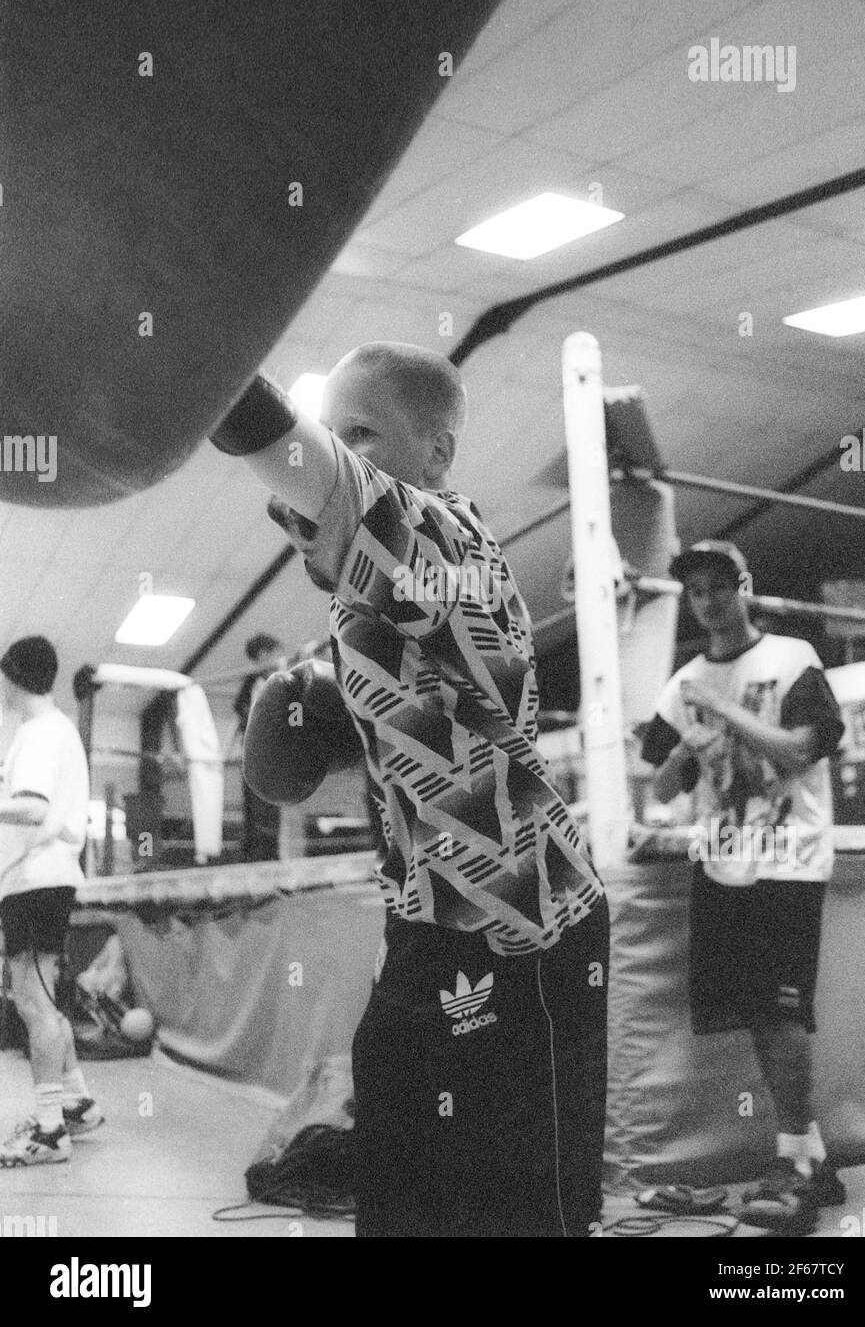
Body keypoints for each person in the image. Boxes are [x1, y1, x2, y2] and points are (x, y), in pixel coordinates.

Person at [210, 342, 609, 1237]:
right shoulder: (371, 604)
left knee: (520, 1204)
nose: (344, 454)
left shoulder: (443, 541)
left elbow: (295, 454)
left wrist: (199, 367)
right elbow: (393, 746)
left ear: (436, 455)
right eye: (339, 430)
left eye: (364, 434)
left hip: (524, 920)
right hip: (428, 920)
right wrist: (310, 714)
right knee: (397, 1174)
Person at [639, 541, 846, 1231]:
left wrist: (720, 713)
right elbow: (661, 789)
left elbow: (799, 750)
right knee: (758, 1012)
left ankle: (796, 1159)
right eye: (695, 591)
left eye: (718, 587)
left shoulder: (792, 660)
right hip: (723, 862)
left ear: (743, 587)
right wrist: (682, 750)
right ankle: (809, 1157)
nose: (707, 602)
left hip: (788, 858)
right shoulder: (683, 683)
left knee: (782, 1013)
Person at [0, 636, 103, 1167]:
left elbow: (32, 809)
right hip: (44, 879)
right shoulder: (52, 730)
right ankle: (76, 1102)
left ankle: (49, 1132)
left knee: (32, 1002)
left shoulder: (40, 732)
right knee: (43, 999)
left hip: (35, 880)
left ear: (12, 677)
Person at [228, 634, 286, 861]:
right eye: (275, 653)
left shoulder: (286, 678)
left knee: (269, 803)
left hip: (272, 750)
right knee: (253, 804)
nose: (277, 658)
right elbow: (239, 712)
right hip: (252, 750)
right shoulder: (251, 683)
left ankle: (269, 854)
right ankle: (253, 853)